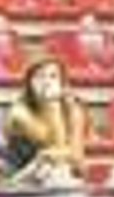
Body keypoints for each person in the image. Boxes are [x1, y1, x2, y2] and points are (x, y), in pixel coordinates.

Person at [6, 56, 88, 186]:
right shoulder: (19, 112)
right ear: (29, 83)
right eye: (40, 76)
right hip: (20, 178)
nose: (47, 82)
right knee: (53, 169)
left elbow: (78, 161)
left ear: (62, 83)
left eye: (53, 76)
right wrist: (53, 106)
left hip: (55, 178)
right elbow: (54, 148)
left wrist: (71, 112)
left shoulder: (73, 107)